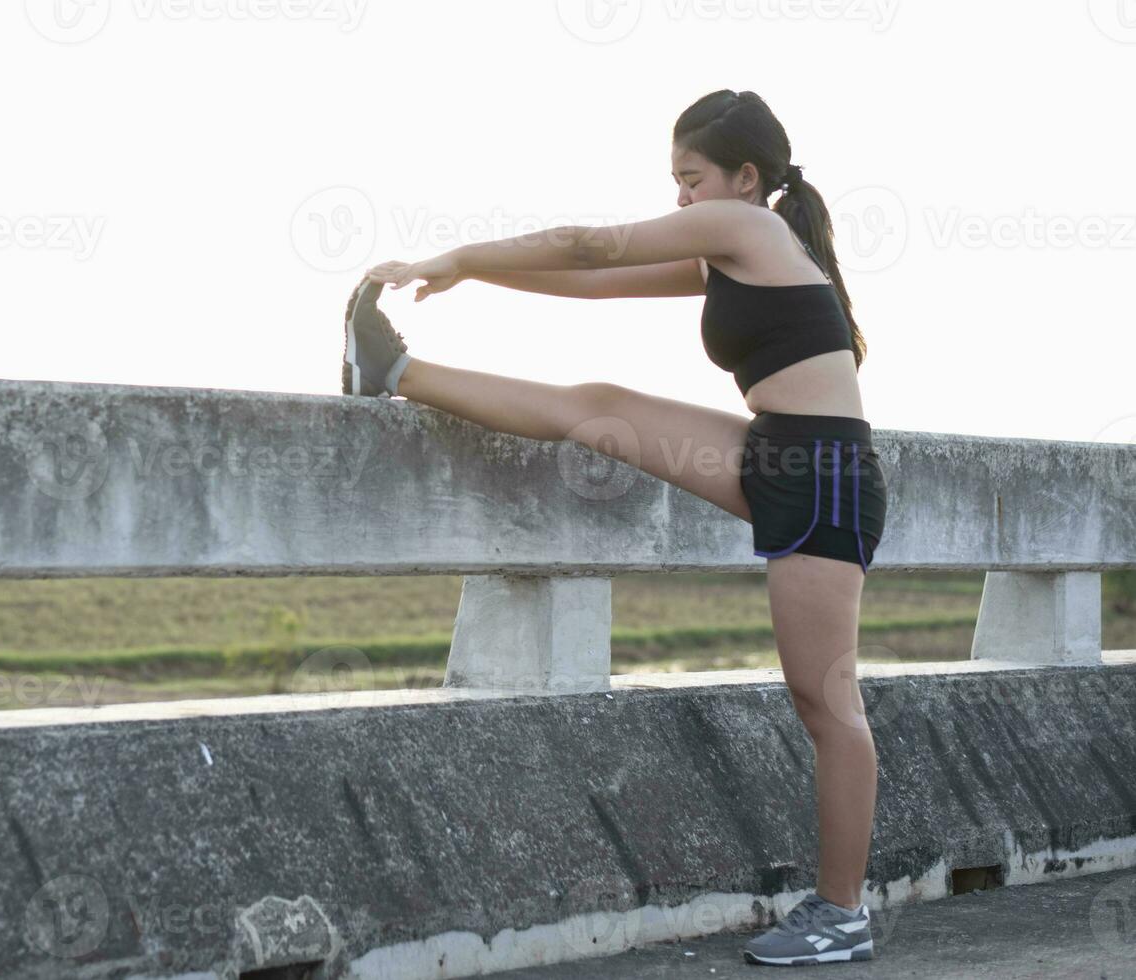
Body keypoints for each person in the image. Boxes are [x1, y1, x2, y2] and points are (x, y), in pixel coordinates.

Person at [342, 88, 886, 966]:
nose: (678, 198)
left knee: (825, 705)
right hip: (782, 452)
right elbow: (591, 277)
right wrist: (469, 274)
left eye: (690, 178)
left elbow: (588, 243)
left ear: (745, 179)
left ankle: (842, 913)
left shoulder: (750, 230)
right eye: (672, 182)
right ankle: (392, 367)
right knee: (598, 407)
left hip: (823, 476)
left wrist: (456, 253)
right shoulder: (727, 247)